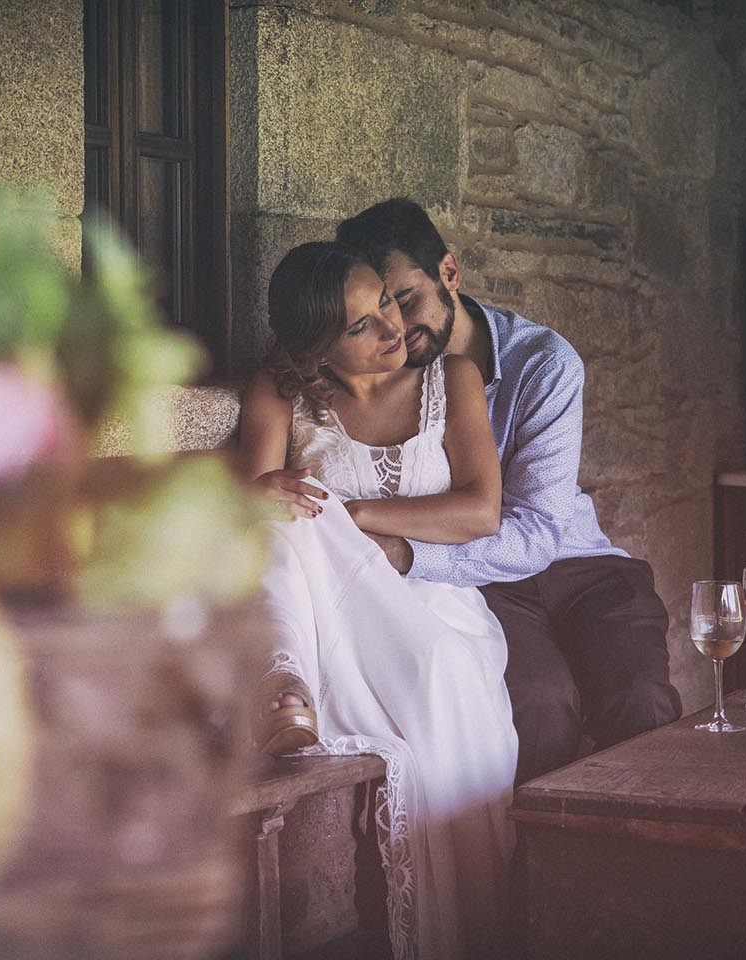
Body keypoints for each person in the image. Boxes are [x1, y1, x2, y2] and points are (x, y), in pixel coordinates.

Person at [336, 198, 684, 786]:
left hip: (578, 565)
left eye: (407, 298)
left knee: (642, 702)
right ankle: (540, 869)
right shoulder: (377, 370)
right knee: (538, 713)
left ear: (450, 273)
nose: (396, 326)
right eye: (378, 310)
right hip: (481, 583)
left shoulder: (543, 363)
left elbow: (541, 532)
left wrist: (411, 552)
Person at [235, 241, 517, 960]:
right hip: (326, 608)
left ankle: (286, 683)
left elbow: (481, 511)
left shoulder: (453, 379)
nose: (394, 330)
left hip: (432, 601)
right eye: (362, 325)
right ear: (315, 350)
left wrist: (349, 516)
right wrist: (260, 494)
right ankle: (284, 679)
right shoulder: (279, 393)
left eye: (387, 303)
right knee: (280, 523)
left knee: (437, 672)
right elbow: (251, 512)